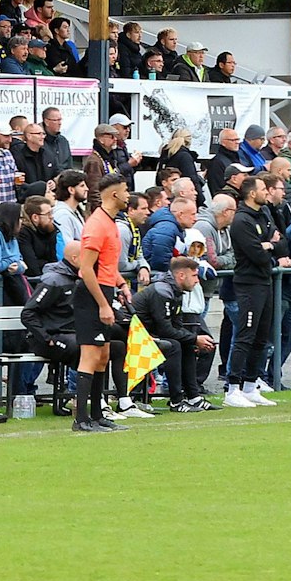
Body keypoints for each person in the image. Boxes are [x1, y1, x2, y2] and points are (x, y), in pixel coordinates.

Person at [69, 174, 131, 432]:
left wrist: (120, 283)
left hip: (104, 290)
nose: (129, 196)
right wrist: (103, 305)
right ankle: (81, 419)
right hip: (91, 295)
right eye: (126, 191)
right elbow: (86, 268)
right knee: (90, 355)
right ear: (114, 195)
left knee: (104, 355)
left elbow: (105, 265)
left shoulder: (110, 223)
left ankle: (97, 414)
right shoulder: (96, 224)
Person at [222, 175, 289, 407]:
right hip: (249, 284)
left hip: (265, 281)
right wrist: (270, 245)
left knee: (262, 336)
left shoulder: (265, 214)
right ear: (252, 193)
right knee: (245, 335)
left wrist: (270, 245)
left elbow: (282, 243)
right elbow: (257, 254)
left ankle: (251, 385)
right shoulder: (242, 221)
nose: (266, 192)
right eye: (262, 189)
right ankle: (232, 388)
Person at [131, 256, 217, 412]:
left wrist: (192, 340)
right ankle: (176, 401)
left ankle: (193, 397)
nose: (197, 281)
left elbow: (176, 326)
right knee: (174, 346)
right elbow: (165, 329)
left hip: (148, 333)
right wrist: (195, 338)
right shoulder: (162, 291)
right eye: (194, 276)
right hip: (133, 335)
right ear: (181, 275)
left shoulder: (176, 291)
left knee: (186, 344)